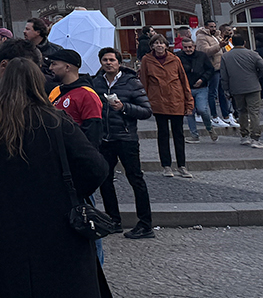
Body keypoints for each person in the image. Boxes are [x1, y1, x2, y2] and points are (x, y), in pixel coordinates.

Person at [0, 57, 110, 298]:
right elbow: (96, 168)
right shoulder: (56, 122)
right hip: (56, 224)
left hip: (2, 227)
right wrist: (69, 189)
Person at [93, 47, 155, 239]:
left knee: (135, 179)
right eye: (105, 60)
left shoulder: (131, 82)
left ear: (119, 62)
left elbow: (146, 111)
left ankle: (145, 224)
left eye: (112, 60)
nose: (108, 63)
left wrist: (124, 107)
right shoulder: (96, 83)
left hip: (126, 138)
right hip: (105, 139)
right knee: (104, 179)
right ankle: (113, 220)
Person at [139, 33, 195, 176]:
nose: (159, 45)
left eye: (161, 43)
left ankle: (182, 165)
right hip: (158, 101)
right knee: (163, 134)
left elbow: (184, 81)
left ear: (166, 45)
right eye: (156, 43)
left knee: (178, 134)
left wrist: (189, 103)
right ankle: (166, 166)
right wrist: (144, 101)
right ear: (152, 46)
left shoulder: (175, 59)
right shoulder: (147, 60)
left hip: (176, 100)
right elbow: (144, 82)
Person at [220, 32, 263, 148]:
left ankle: (244, 136)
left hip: (236, 88)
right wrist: (257, 75)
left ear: (232, 43)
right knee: (254, 112)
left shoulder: (226, 57)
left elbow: (224, 76)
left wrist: (226, 90)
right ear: (244, 43)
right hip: (253, 86)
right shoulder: (253, 54)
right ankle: (255, 138)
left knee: (241, 111)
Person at [47, 49, 104, 146]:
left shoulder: (87, 94)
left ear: (67, 67)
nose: (50, 68)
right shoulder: (56, 91)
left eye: (54, 64)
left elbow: (93, 132)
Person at [176, 28, 216, 143]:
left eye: (190, 47)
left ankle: (209, 128)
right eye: (186, 48)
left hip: (201, 87)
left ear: (194, 46)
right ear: (182, 48)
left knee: (203, 109)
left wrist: (203, 79)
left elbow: (210, 69)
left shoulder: (202, 56)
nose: (188, 50)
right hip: (186, 88)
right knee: (190, 112)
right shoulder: (178, 57)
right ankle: (194, 135)